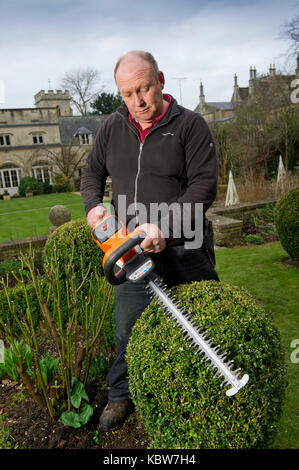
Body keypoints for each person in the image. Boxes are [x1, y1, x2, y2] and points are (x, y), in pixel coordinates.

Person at [80, 50, 219, 432]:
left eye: (143, 89)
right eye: (127, 94)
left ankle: (200, 395)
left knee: (198, 323)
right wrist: (94, 207)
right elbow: (91, 175)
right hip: (130, 251)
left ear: (160, 78)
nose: (137, 102)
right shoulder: (111, 127)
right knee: (128, 330)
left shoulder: (191, 125)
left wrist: (164, 226)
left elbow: (204, 188)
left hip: (184, 247)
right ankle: (120, 395)